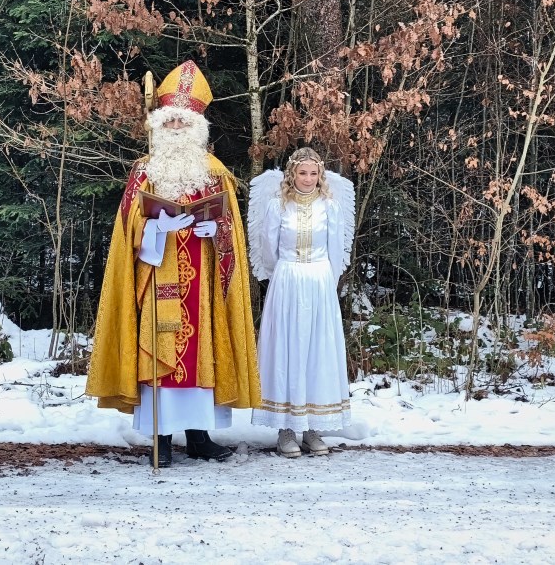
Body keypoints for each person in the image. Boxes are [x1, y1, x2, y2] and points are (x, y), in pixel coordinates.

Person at [86, 60, 260, 468]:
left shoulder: (214, 172)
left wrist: (213, 234)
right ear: (160, 126)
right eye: (170, 123)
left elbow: (230, 230)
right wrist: (155, 229)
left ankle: (199, 437)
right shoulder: (144, 171)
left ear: (197, 127)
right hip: (155, 274)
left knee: (201, 355)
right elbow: (127, 229)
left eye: (184, 123)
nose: (177, 130)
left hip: (203, 283)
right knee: (157, 355)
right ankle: (161, 440)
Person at [248, 147, 355, 458]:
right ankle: (285, 430)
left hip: (320, 280)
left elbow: (336, 249)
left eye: (313, 173)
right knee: (288, 348)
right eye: (301, 172)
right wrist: (281, 274)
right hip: (288, 280)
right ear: (291, 174)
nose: (307, 179)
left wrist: (327, 282)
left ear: (320, 175)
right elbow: (268, 249)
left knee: (317, 351)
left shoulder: (330, 206)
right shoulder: (276, 205)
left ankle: (312, 428)